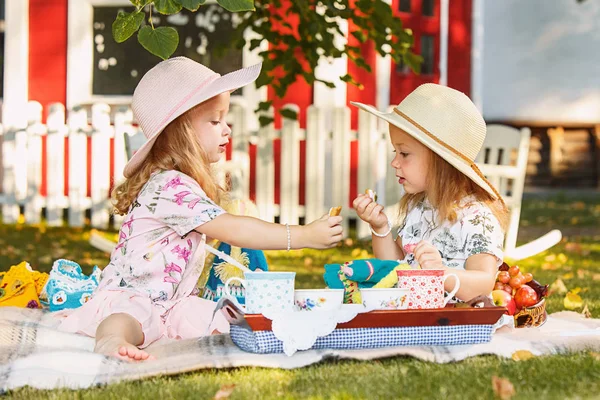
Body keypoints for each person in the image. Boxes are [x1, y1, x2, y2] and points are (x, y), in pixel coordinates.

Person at [55, 57, 343, 361]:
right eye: (215, 120)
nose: (227, 130)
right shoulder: (168, 187)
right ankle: (111, 341)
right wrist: (302, 235)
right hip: (133, 295)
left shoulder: (180, 184)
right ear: (181, 132)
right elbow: (233, 228)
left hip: (174, 303)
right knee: (127, 319)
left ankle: (293, 331)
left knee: (227, 319)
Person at [351, 83, 508, 302]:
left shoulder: (477, 217)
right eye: (395, 152)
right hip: (417, 319)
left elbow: (483, 283)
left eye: (404, 153)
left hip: (458, 323)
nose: (394, 162)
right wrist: (380, 228)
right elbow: (395, 267)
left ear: (440, 161)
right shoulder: (420, 208)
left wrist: (440, 272)